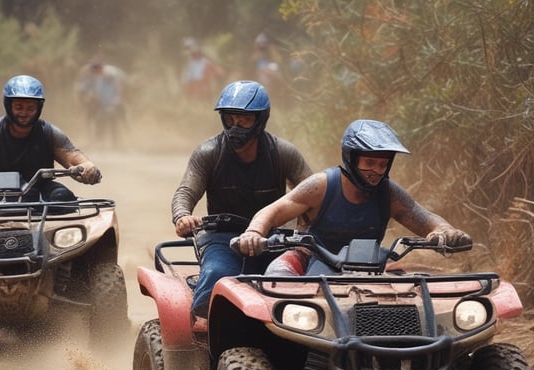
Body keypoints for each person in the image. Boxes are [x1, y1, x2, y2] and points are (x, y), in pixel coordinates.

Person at [235, 119, 472, 275]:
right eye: (369, 162)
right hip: (316, 262)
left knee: (421, 292)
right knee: (276, 280)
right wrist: (254, 233)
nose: (376, 171)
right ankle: (275, 351)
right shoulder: (322, 186)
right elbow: (274, 210)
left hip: (371, 266)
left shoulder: (388, 192)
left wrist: (446, 231)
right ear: (351, 158)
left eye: (382, 164)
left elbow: (422, 217)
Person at [172, 80, 313, 319]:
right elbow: (185, 191)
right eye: (230, 119)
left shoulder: (282, 153)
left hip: (275, 239)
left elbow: (312, 194)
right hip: (222, 239)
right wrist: (182, 216)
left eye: (244, 120)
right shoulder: (209, 153)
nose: (235, 126)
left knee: (297, 282)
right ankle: (209, 332)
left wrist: (306, 233)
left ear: (260, 120)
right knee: (217, 275)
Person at [75, 58, 128, 148]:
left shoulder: (112, 74)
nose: (95, 72)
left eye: (96, 70)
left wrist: (116, 101)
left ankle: (118, 143)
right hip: (104, 103)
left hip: (114, 102)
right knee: (100, 120)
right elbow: (95, 89)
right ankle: (101, 141)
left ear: (100, 68)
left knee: (116, 121)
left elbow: (119, 88)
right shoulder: (97, 75)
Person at [180, 37, 225, 102]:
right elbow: (186, 77)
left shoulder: (205, 62)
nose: (195, 54)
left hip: (203, 87)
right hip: (193, 87)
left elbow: (218, 72)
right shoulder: (189, 63)